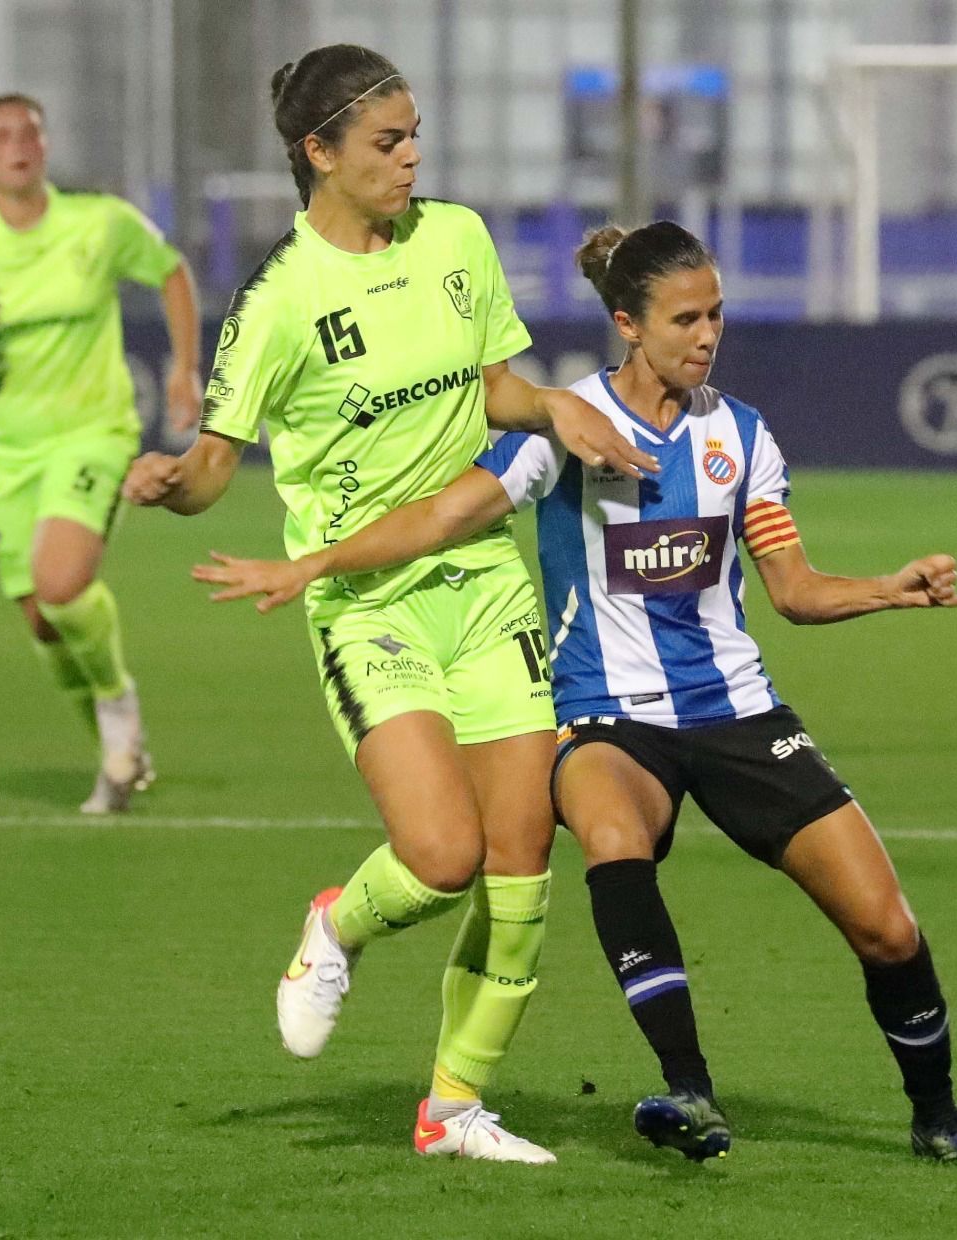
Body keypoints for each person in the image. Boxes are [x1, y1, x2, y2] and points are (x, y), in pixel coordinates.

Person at [192, 219, 957, 1167]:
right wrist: (316, 565)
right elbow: (445, 515)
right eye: (684, 319)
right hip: (607, 720)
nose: (707, 336)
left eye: (715, 315)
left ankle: (938, 1116)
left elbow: (792, 590)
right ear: (629, 323)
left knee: (885, 923)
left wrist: (889, 588)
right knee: (612, 836)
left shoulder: (739, 435)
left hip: (739, 712)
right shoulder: (567, 426)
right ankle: (690, 1092)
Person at [122, 44, 655, 1164]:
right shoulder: (276, 302)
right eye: (387, 141)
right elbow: (220, 462)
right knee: (441, 852)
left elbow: (491, 383)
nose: (413, 157)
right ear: (318, 153)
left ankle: (453, 1109)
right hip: (366, 602)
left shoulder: (454, 239)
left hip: (483, 582)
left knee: (519, 870)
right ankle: (336, 924)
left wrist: (552, 405)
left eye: (415, 135)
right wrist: (176, 487)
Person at [0, 93, 202, 812]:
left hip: (94, 433)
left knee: (62, 582)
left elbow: (170, 271)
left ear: (45, 148)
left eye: (30, 134)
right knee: (45, 622)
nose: (18, 146)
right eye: (0, 137)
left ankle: (117, 708)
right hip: (5, 456)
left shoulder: (96, 223)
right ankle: (119, 755)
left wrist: (182, 368)